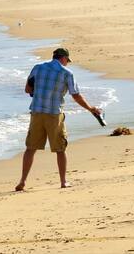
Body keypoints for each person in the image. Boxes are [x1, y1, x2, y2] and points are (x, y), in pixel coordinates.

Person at [15, 48, 103, 191]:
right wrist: (90, 108)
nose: (67, 63)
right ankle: (63, 182)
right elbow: (76, 95)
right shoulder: (67, 73)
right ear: (63, 58)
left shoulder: (37, 68)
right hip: (54, 114)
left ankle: (22, 181)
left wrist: (40, 92)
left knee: (30, 148)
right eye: (67, 61)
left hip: (36, 112)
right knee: (60, 149)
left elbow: (27, 89)